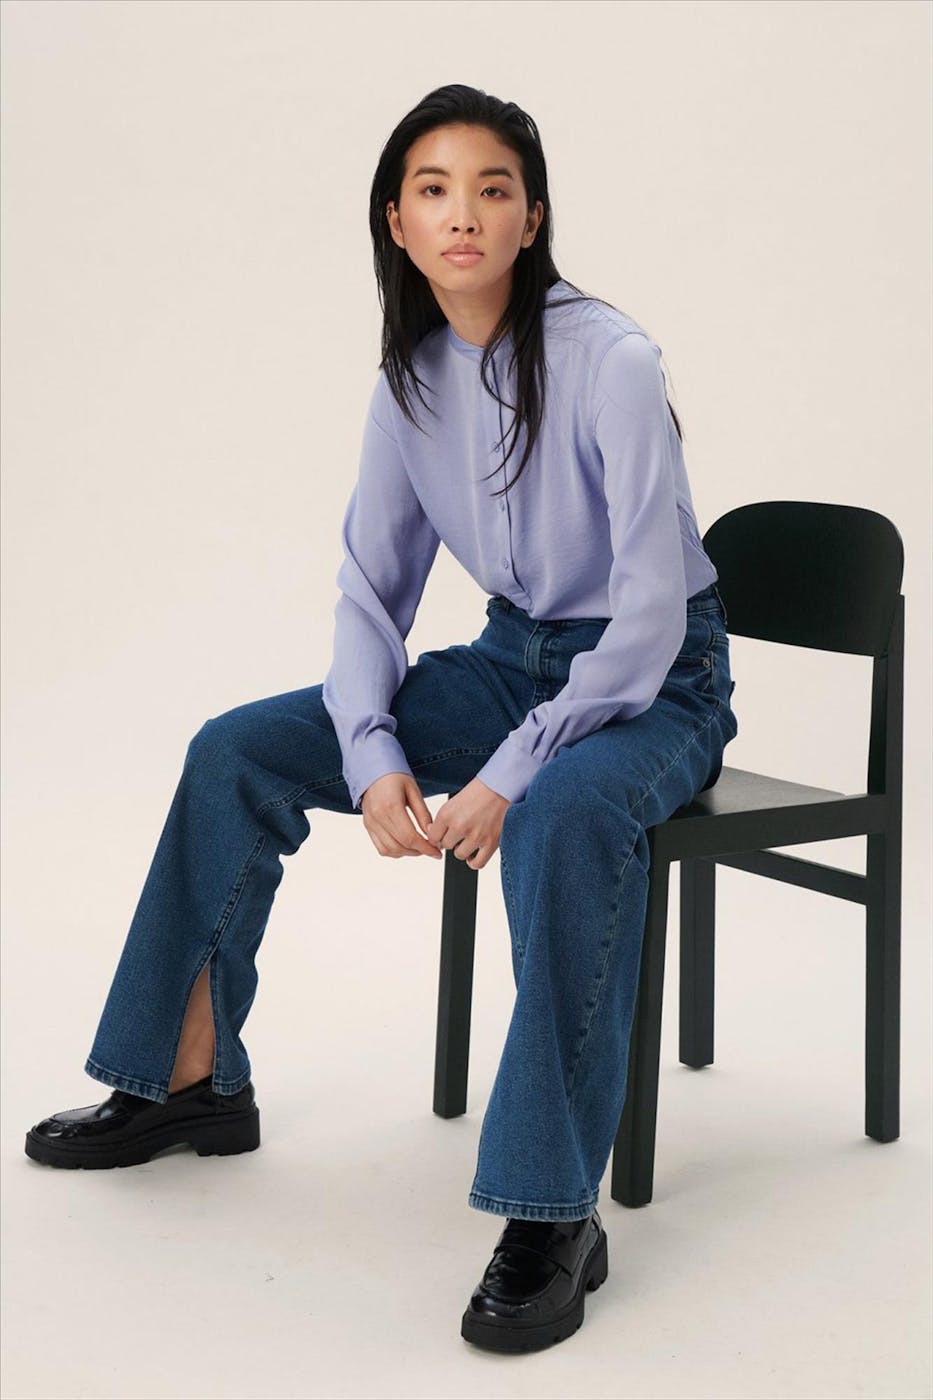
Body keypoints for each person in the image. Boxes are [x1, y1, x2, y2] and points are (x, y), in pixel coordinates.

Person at [24, 83, 739, 1355]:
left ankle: (552, 1210)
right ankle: (187, 1078)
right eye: (433, 189)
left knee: (564, 811)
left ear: (532, 220)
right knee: (236, 748)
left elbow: (643, 621)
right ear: (396, 223)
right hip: (512, 655)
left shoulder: (612, 362)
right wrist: (369, 753)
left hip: (655, 678)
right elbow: (371, 591)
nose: (464, 213)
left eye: (494, 189)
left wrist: (516, 764)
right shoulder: (411, 380)